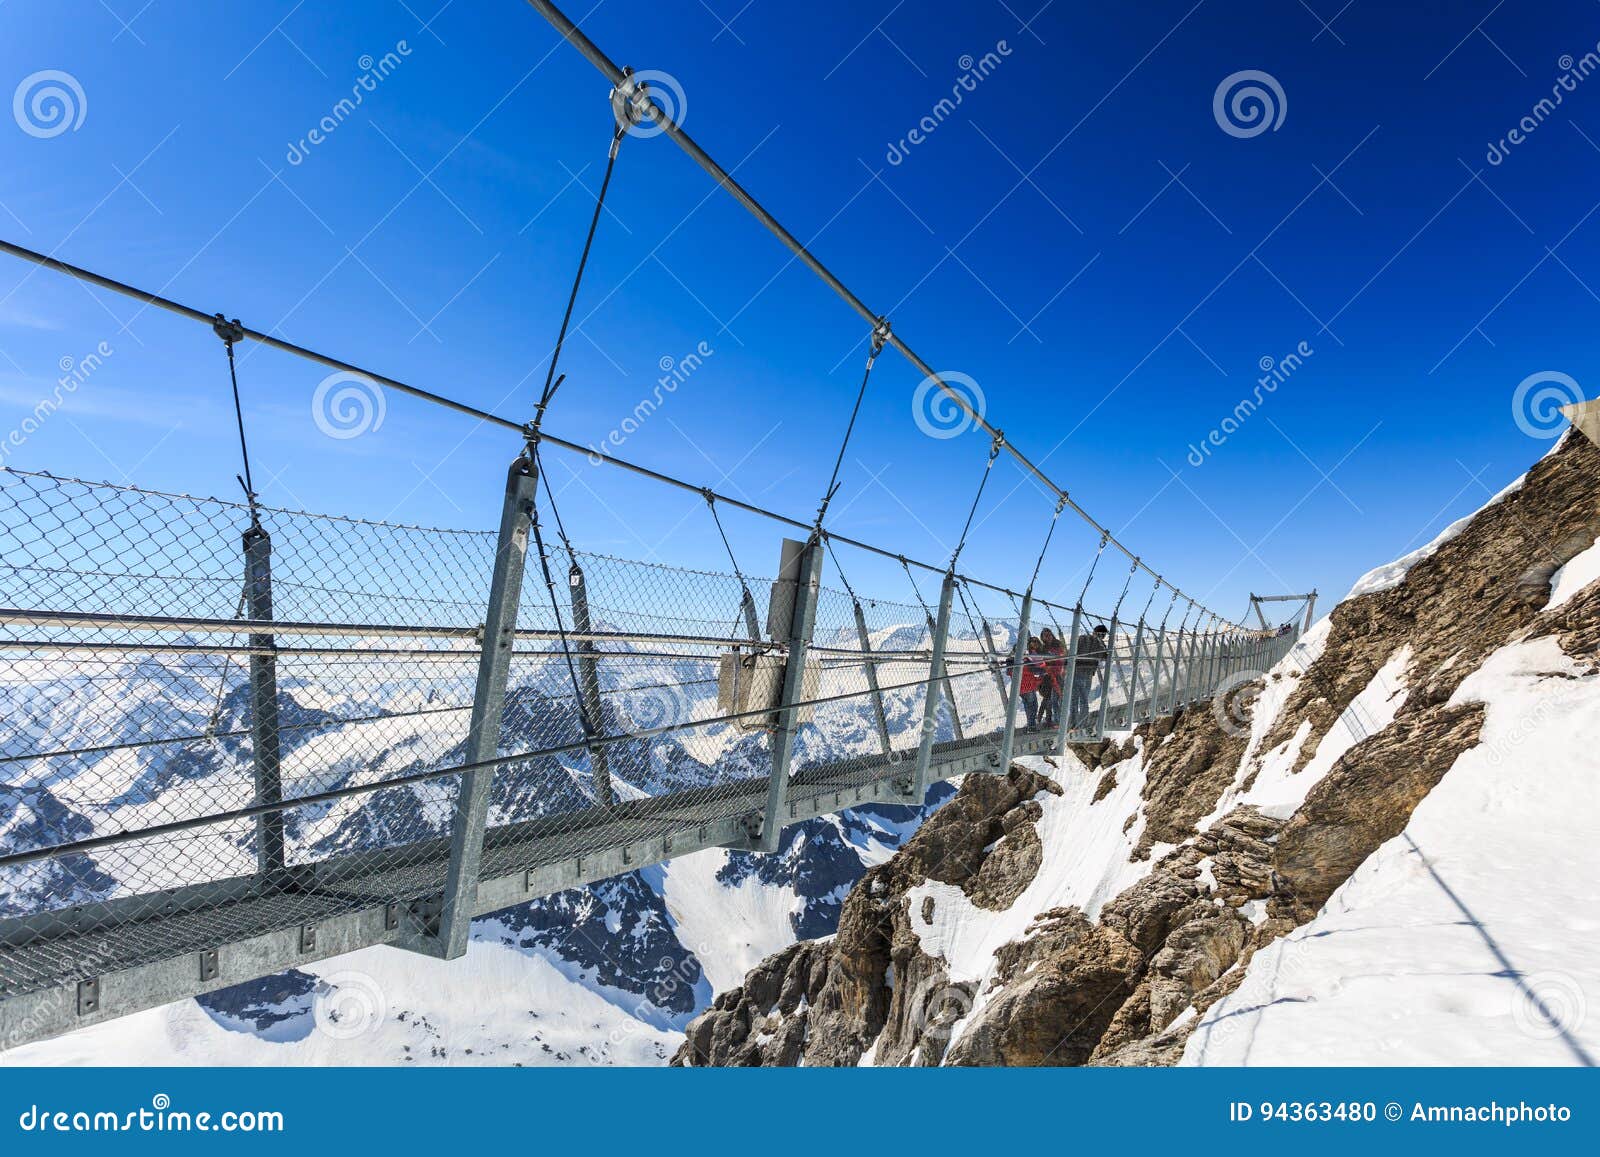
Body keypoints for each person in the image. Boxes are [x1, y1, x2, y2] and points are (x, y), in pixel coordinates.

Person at [1071, 624, 1109, 727]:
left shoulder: (1081, 638)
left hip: (1075, 672)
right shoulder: (1101, 645)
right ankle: (1083, 723)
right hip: (1088, 674)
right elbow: (1105, 657)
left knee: (1073, 699)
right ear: (1103, 635)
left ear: (1094, 631)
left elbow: (1072, 651)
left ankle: (1073, 723)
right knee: (1083, 700)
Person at [1011, 635, 1045, 731]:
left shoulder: (1011, 661)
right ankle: (1031, 726)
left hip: (1020, 688)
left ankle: (1030, 725)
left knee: (1028, 706)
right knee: (1033, 707)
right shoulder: (1025, 661)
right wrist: (1043, 671)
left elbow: (1010, 672)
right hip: (1028, 687)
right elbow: (1035, 670)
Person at [1037, 628, 1065, 729]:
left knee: (1056, 699)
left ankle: (1058, 720)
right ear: (1042, 637)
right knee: (1050, 699)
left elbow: (1061, 658)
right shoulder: (1043, 648)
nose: (1048, 637)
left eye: (1049, 634)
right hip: (1048, 677)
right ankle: (1052, 721)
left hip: (1058, 675)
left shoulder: (1057, 645)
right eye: (1045, 635)